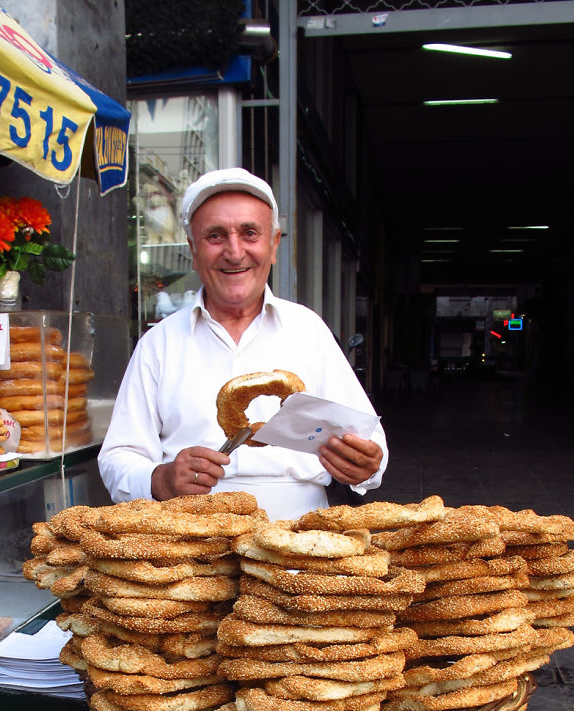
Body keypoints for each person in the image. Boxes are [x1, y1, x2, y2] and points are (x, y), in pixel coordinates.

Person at [97, 167, 387, 521]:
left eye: (250, 233)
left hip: (299, 538)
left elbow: (370, 443)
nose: (234, 253)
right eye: (215, 236)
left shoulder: (308, 331)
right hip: (191, 542)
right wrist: (161, 478)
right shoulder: (159, 343)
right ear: (193, 249)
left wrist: (365, 466)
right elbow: (117, 457)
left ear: (274, 244)